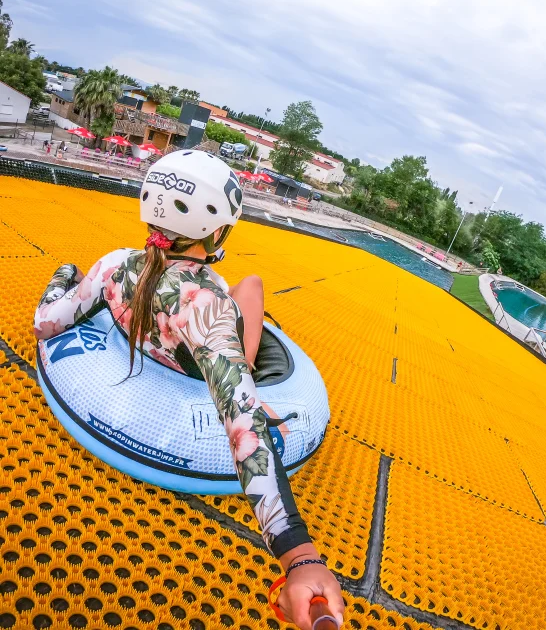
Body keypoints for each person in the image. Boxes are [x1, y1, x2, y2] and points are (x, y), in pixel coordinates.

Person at [33, 150, 344, 630]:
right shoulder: (208, 306)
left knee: (239, 291)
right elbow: (243, 425)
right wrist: (298, 557)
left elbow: (47, 323)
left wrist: (62, 283)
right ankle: (251, 342)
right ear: (217, 231)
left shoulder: (115, 266)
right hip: (201, 367)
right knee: (254, 284)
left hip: (153, 342)